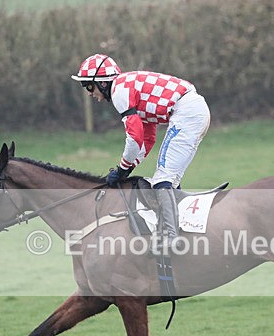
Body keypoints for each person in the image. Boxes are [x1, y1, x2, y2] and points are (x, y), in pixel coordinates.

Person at [71, 54, 210, 252]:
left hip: (187, 112)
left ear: (102, 82)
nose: (88, 93)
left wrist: (122, 169)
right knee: (169, 179)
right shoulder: (128, 87)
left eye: (88, 86)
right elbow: (147, 138)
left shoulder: (119, 90)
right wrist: (128, 168)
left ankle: (172, 237)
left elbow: (134, 137)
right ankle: (181, 226)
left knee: (163, 179)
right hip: (192, 110)